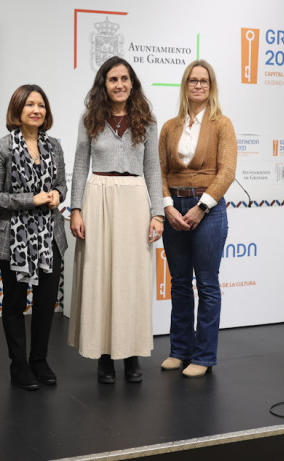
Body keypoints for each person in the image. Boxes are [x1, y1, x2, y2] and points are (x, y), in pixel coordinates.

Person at [68, 56, 164, 384]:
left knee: (132, 279)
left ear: (132, 83)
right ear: (103, 85)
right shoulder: (90, 119)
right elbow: (81, 164)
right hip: (98, 197)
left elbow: (153, 167)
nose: (119, 84)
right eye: (113, 79)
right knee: (100, 277)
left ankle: (132, 353)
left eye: (125, 78)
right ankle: (105, 357)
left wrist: (158, 214)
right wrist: (76, 209)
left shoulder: (147, 121)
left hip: (135, 199)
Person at [0, 84, 67, 390]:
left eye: (41, 105)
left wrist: (57, 194)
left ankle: (39, 361)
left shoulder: (54, 145)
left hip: (49, 236)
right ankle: (18, 366)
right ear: (17, 111)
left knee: (46, 304)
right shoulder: (1, 147)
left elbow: (61, 185)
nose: (36, 110)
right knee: (15, 303)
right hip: (12, 238)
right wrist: (29, 200)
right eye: (30, 104)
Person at [158, 59, 237, 378]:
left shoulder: (223, 124)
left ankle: (203, 356)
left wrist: (200, 207)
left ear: (211, 86)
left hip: (209, 210)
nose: (198, 85)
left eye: (204, 81)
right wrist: (167, 207)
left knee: (206, 284)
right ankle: (179, 351)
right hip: (174, 209)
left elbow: (227, 172)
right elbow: (159, 171)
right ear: (185, 85)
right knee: (178, 284)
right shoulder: (169, 126)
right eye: (193, 80)